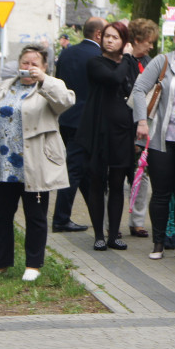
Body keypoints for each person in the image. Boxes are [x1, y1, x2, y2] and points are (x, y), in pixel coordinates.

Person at [0, 44, 75, 283]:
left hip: (33, 163)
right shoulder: (5, 86)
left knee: (35, 216)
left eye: (34, 63)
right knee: (0, 215)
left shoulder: (49, 89)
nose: (28, 67)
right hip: (2, 165)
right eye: (25, 62)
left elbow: (66, 101)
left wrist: (44, 80)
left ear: (44, 67)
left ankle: (33, 264)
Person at [131, 19, 175, 259]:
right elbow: (139, 89)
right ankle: (158, 243)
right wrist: (142, 121)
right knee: (161, 192)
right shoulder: (162, 61)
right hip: (162, 136)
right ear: (174, 38)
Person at [76, 22, 139, 251]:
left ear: (123, 41)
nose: (110, 40)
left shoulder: (129, 64)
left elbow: (134, 90)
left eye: (115, 37)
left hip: (122, 131)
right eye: (107, 36)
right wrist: (127, 58)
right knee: (97, 181)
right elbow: (114, 78)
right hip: (98, 129)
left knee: (117, 182)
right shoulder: (95, 62)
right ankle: (98, 235)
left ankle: (114, 234)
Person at [51, 16, 106, 234]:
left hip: (66, 117)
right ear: (98, 35)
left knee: (83, 171)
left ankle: (97, 215)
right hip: (86, 122)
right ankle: (61, 219)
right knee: (74, 171)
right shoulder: (98, 57)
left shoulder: (66, 52)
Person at [126, 18, 161, 238]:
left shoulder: (150, 64)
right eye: (148, 42)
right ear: (136, 40)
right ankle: (112, 222)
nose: (150, 46)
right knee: (118, 175)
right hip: (122, 125)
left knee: (142, 173)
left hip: (143, 125)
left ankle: (137, 221)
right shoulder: (122, 61)